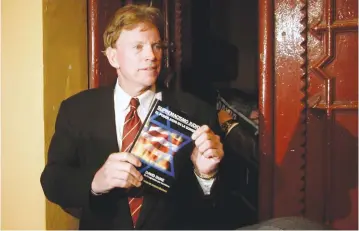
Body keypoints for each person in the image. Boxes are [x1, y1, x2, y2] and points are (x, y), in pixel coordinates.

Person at [40, 4, 225, 230]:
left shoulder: (196, 112)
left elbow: (221, 203)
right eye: (138, 47)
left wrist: (206, 176)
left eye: (156, 46)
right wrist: (96, 181)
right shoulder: (77, 109)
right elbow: (53, 180)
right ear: (113, 57)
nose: (152, 55)